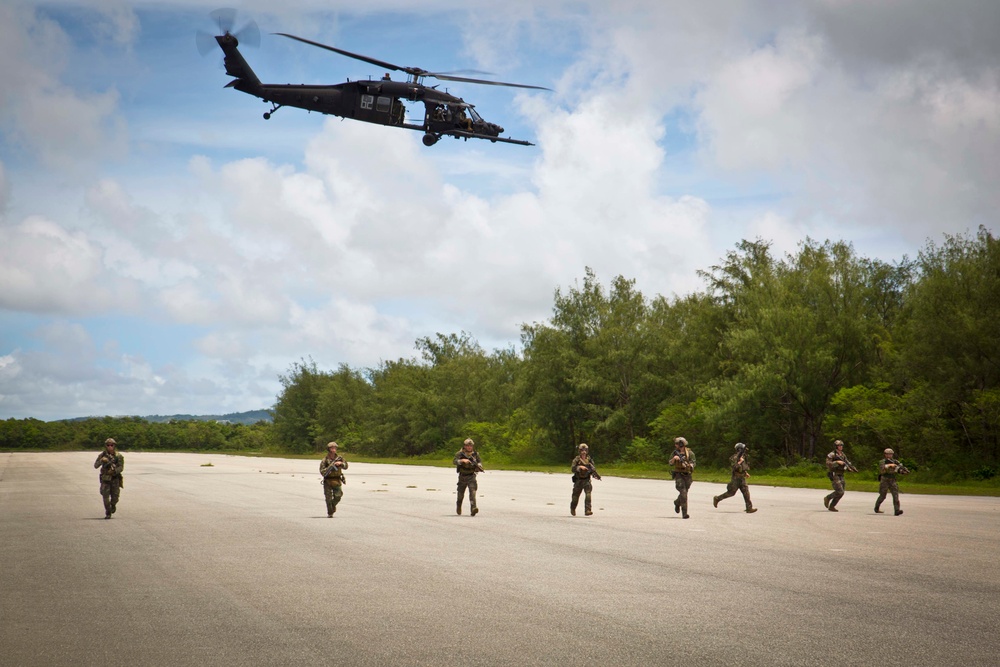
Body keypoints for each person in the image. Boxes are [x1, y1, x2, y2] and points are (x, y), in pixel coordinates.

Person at [713, 442, 757, 513]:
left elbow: (742, 468)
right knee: (731, 493)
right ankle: (717, 498)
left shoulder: (743, 457)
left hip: (742, 478)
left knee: (746, 492)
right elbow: (734, 467)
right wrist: (739, 462)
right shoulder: (734, 457)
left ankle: (749, 508)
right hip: (736, 479)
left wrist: (745, 473)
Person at [94, 438, 124, 519]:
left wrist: (114, 471)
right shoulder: (102, 455)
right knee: (105, 497)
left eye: (112, 445)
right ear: (105, 446)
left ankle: (113, 505)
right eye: (108, 445)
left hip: (115, 479)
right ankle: (108, 512)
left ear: (114, 446)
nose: (110, 447)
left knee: (115, 497)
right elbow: (95, 466)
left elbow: (121, 467)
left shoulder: (118, 456)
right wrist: (101, 460)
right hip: (105, 479)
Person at [824, 439, 856, 512]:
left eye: (841, 445)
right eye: (839, 445)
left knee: (842, 492)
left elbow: (847, 462)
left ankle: (832, 506)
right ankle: (828, 498)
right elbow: (828, 464)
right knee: (840, 491)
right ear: (836, 446)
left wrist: (850, 468)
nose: (841, 447)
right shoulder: (832, 454)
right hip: (834, 474)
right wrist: (837, 462)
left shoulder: (842, 454)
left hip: (841, 474)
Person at [453, 438, 483, 516]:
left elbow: (479, 462)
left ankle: (473, 508)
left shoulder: (475, 454)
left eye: (471, 446)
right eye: (467, 446)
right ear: (465, 446)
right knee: (460, 495)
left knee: (472, 492)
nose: (469, 447)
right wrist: (462, 460)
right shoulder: (459, 454)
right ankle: (459, 505)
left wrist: (479, 466)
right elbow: (454, 461)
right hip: (462, 476)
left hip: (471, 476)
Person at [875, 448, 909, 516]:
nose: (889, 455)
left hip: (892, 480)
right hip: (884, 479)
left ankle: (897, 510)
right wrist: (889, 465)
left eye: (890, 454)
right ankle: (877, 508)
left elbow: (898, 469)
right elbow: (882, 470)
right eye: (888, 454)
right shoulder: (882, 461)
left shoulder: (895, 461)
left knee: (895, 495)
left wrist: (903, 471)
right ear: (885, 454)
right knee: (882, 496)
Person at [669, 437, 696, 519]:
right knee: (683, 493)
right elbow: (670, 463)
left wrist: (690, 465)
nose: (676, 445)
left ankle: (677, 502)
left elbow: (693, 462)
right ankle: (684, 513)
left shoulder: (690, 453)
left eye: (677, 444)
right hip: (679, 475)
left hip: (687, 475)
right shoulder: (674, 453)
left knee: (684, 493)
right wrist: (674, 459)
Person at [320, 442, 348, 517]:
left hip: (337, 480)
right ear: (328, 449)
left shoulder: (340, 458)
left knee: (338, 496)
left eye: (335, 448)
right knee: (328, 498)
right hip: (328, 481)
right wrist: (330, 467)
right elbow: (322, 471)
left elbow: (346, 466)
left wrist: (340, 463)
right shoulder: (325, 460)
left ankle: (332, 506)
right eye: (332, 448)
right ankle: (330, 512)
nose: (334, 449)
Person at [570, 443, 599, 516]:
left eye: (585, 450)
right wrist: (579, 467)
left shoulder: (589, 460)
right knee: (575, 497)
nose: (584, 451)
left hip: (586, 480)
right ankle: (573, 508)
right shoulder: (576, 460)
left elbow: (593, 469)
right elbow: (573, 469)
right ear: (579, 451)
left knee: (588, 495)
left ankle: (588, 510)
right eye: (582, 450)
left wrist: (594, 474)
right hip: (578, 480)